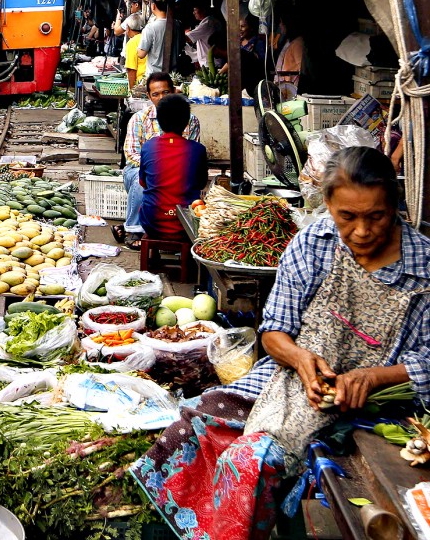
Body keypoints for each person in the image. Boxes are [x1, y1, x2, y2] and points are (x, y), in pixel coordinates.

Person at [130, 145, 430, 540]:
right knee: (193, 423)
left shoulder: (422, 267)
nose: (361, 231)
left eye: (376, 216)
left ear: (396, 206)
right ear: (327, 204)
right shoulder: (313, 244)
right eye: (347, 217)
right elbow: (273, 332)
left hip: (379, 408)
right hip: (293, 381)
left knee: (253, 464)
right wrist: (302, 360)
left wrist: (376, 377)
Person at [113, 72, 201, 249]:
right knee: (141, 180)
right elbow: (131, 154)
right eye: (155, 94)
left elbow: (191, 155)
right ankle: (134, 229)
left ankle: (179, 224)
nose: (161, 98)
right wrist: (159, 166)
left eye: (165, 93)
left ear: (174, 91)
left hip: (174, 169)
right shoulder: (138, 119)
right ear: (149, 96)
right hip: (142, 168)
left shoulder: (190, 120)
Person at [138, 95, 208, 240]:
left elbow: (143, 183)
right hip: (186, 224)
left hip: (152, 222)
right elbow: (201, 183)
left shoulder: (149, 147)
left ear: (159, 120)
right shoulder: (198, 150)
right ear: (187, 121)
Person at [211, 28, 265, 95]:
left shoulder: (239, 58)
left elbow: (239, 85)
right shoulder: (236, 55)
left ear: (217, 48)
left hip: (254, 92)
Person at [184, 0, 223, 69]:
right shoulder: (211, 21)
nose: (193, 13)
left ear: (204, 10)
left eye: (195, 10)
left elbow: (188, 38)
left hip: (211, 63)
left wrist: (182, 33)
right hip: (210, 62)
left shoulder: (207, 23)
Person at [275, 13, 305, 97]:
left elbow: (301, 68)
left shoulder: (298, 43)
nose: (280, 25)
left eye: (282, 23)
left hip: (292, 88)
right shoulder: (289, 42)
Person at [136, 0, 169, 75]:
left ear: (153, 6)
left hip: (155, 75)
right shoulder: (178, 25)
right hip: (174, 75)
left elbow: (141, 54)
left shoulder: (150, 28)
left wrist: (137, 47)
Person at [122, 13, 147, 91]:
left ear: (128, 28)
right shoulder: (146, 37)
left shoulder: (132, 42)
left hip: (140, 83)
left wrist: (132, 90)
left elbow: (131, 69)